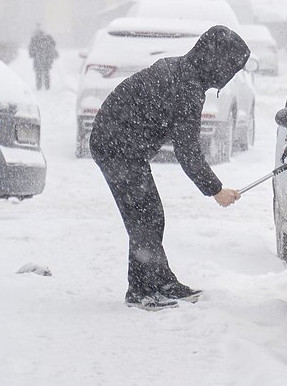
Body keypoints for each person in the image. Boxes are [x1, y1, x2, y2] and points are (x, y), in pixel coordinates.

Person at [89, 25, 250, 311]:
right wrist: (215, 190)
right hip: (115, 145)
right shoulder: (186, 86)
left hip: (122, 144)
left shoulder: (185, 72)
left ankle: (159, 282)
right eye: (231, 68)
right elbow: (187, 151)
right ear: (217, 62)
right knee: (145, 217)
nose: (230, 75)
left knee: (150, 215)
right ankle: (141, 290)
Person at [28, 26, 58, 90]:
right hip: (46, 59)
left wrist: (33, 53)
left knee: (38, 73)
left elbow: (31, 50)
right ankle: (47, 86)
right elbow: (53, 44)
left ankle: (39, 86)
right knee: (46, 72)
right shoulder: (47, 38)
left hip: (37, 59)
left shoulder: (35, 39)